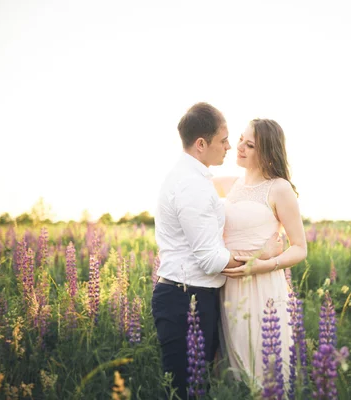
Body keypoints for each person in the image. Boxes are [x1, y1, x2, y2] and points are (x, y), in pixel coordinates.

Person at [151, 103, 280, 399]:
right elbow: (211, 260)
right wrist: (264, 254)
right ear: (201, 144)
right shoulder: (191, 185)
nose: (228, 146)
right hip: (185, 299)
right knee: (188, 392)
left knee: (201, 387)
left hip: (195, 295)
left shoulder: (197, 179)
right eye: (223, 140)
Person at [212, 118, 308, 390]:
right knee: (232, 369)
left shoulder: (279, 188)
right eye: (241, 139)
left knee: (265, 366)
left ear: (267, 151)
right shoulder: (229, 185)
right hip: (228, 285)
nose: (239, 146)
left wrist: (264, 264)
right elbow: (190, 186)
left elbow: (300, 248)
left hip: (263, 286)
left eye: (250, 144)